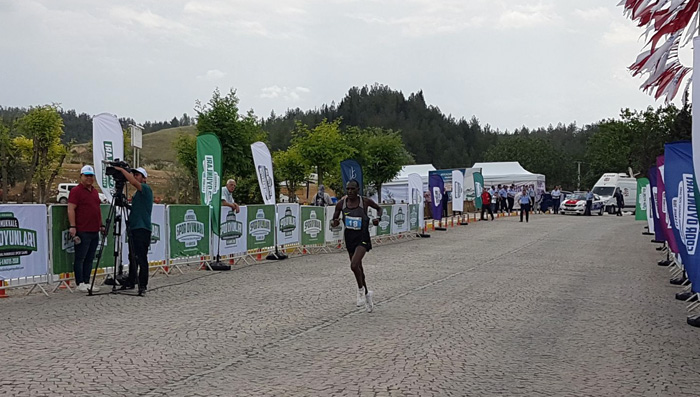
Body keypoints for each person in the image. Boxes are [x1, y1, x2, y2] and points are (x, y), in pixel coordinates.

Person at [331, 180, 383, 313]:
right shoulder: (341, 204)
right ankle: (367, 295)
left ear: (358, 189)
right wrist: (335, 223)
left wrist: (378, 219)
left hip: (363, 238)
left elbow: (379, 208)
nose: (350, 191)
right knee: (359, 269)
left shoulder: (364, 202)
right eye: (347, 189)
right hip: (350, 239)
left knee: (354, 265)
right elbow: (334, 220)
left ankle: (360, 290)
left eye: (352, 189)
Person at [114, 166, 153, 296]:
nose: (135, 176)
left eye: (138, 174)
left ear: (144, 178)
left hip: (142, 228)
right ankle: (132, 280)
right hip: (135, 227)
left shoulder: (145, 189)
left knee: (141, 257)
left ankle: (142, 284)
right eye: (134, 174)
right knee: (132, 257)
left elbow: (133, 182)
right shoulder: (138, 194)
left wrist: (122, 171)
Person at [67, 165, 105, 293]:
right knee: (80, 257)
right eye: (86, 175)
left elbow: (97, 210)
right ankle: (80, 282)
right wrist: (73, 226)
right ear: (81, 176)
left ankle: (87, 281)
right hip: (82, 229)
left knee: (90, 257)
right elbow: (71, 208)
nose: (89, 178)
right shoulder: (76, 191)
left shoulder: (94, 192)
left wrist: (101, 224)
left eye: (91, 176)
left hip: (94, 230)